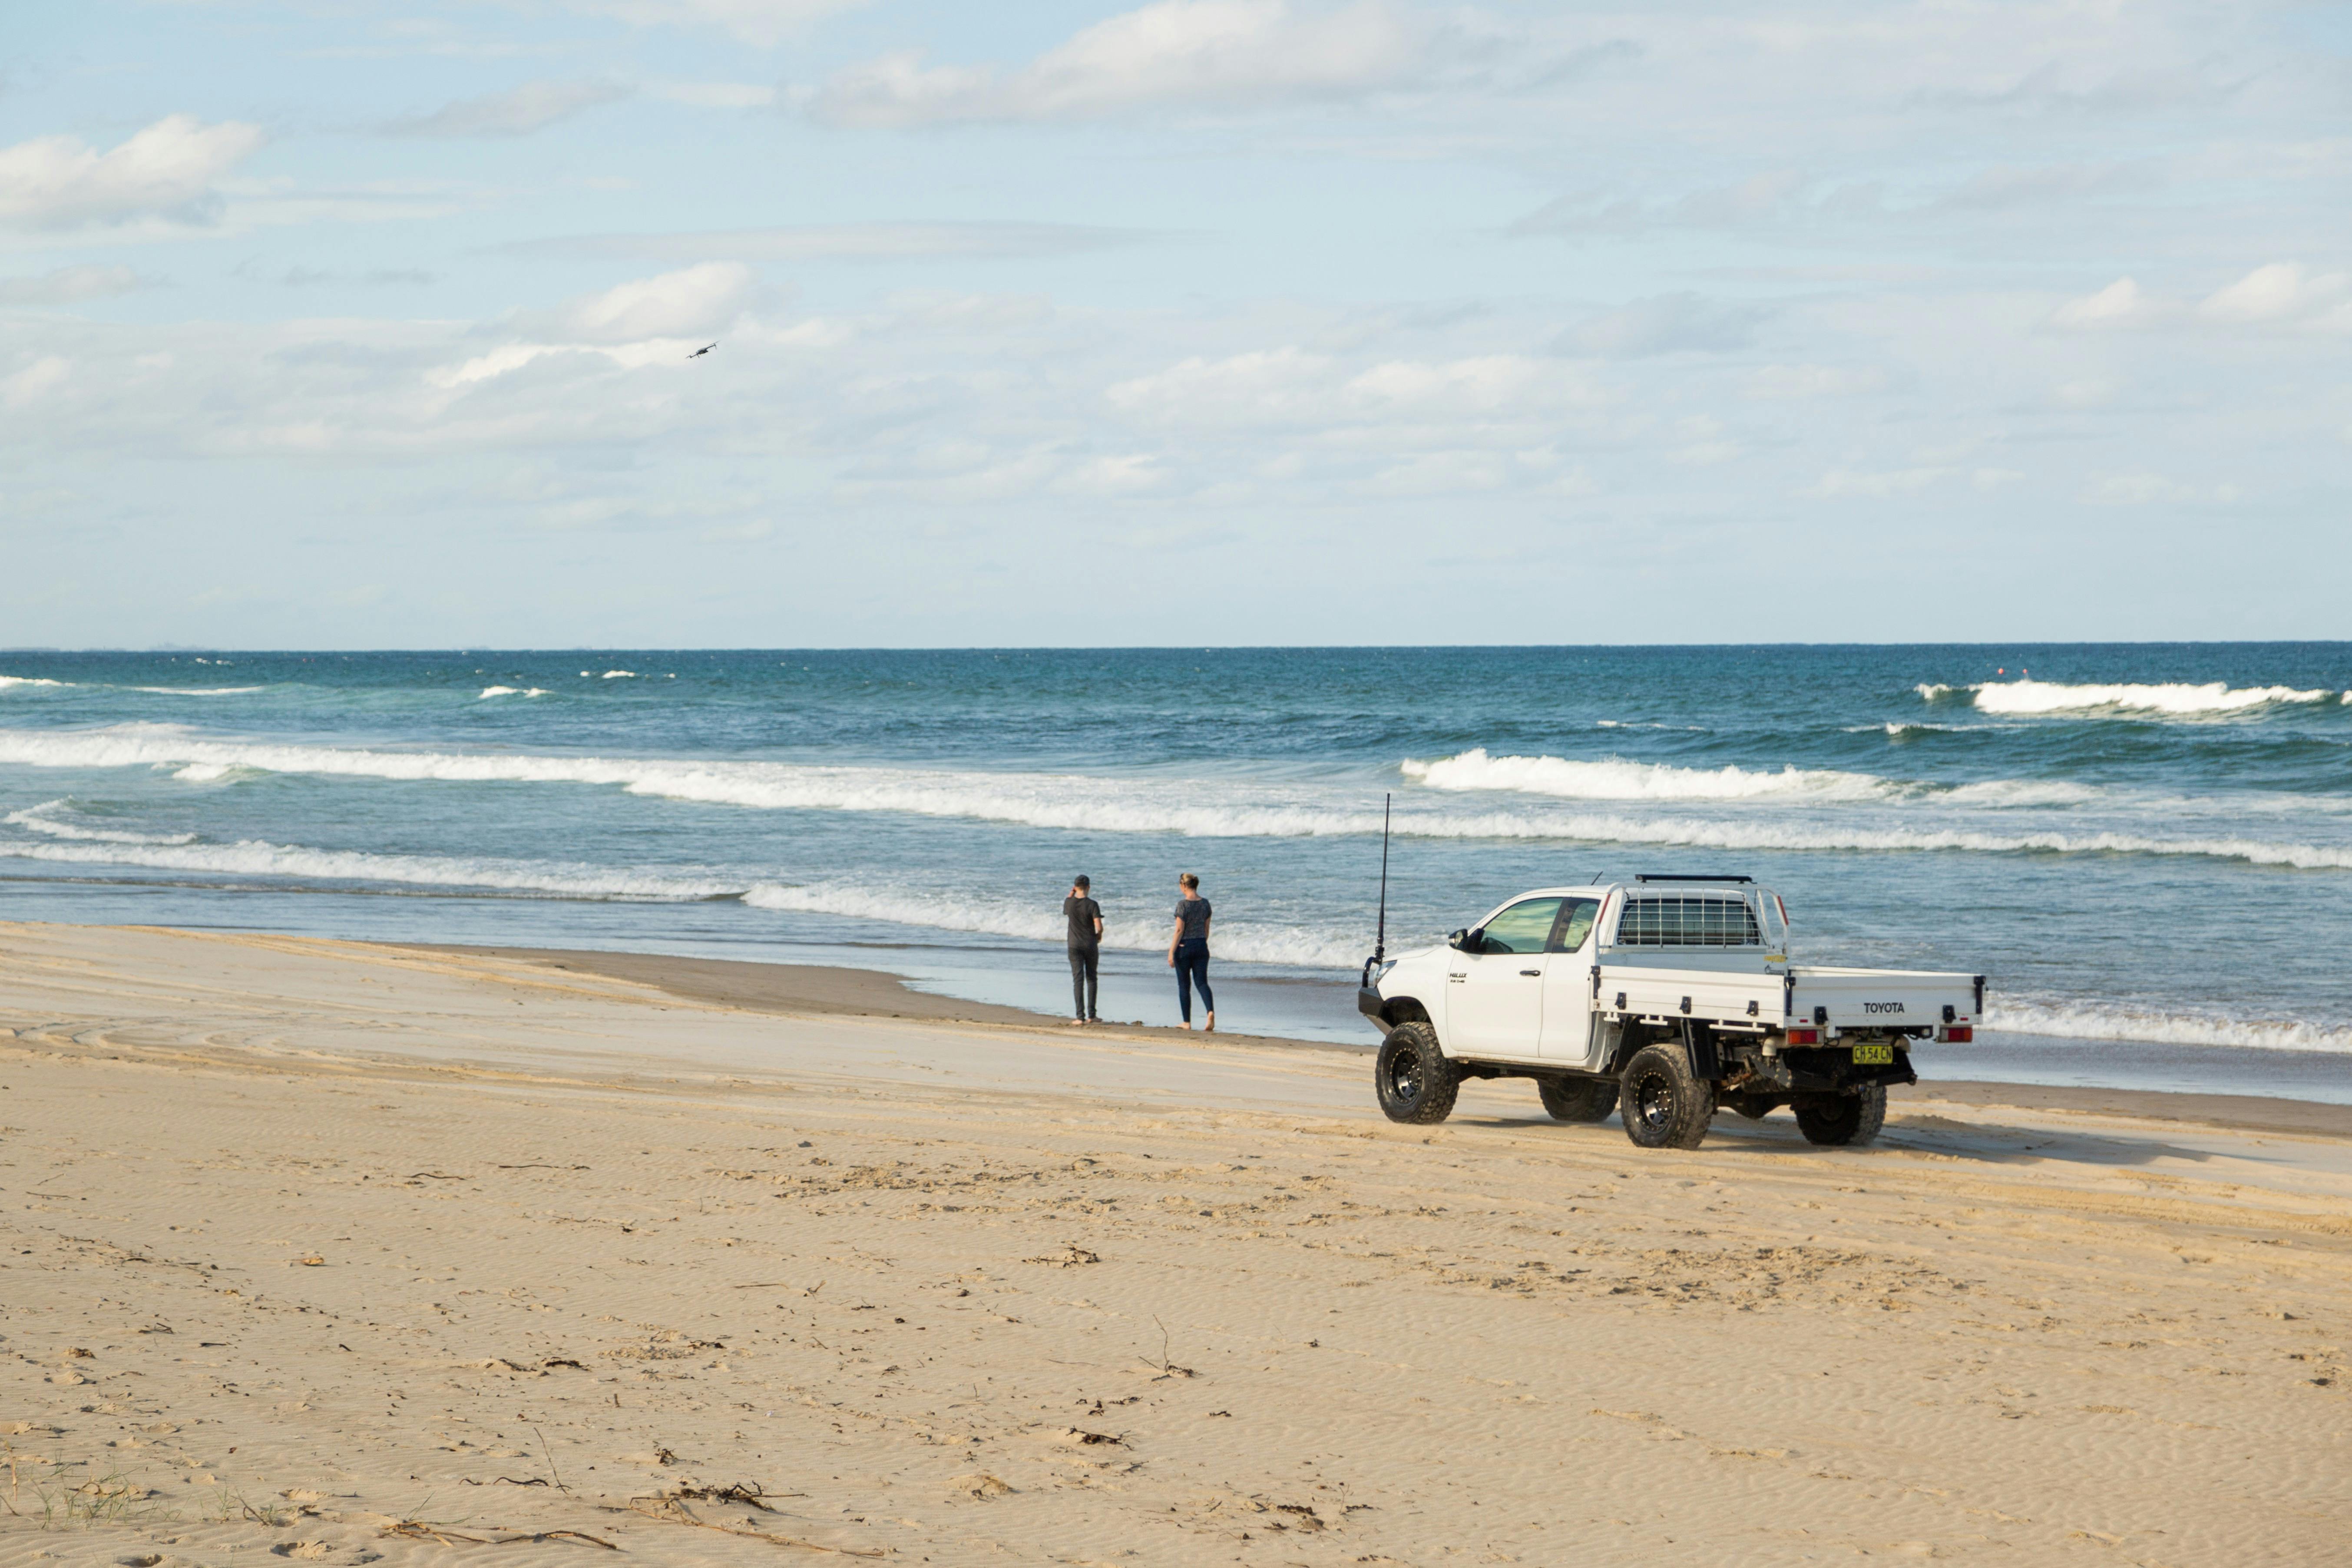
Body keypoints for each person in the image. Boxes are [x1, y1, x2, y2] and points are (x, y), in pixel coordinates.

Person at [1167, 872, 1214, 1032]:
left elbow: (1180, 930)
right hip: (1201, 945)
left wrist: (1171, 952)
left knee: (1184, 986)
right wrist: (1201, 943)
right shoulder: (1206, 904)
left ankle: (1186, 1022)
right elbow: (1207, 930)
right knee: (1202, 983)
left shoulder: (1183, 905)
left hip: (1184, 948)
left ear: (1184, 886)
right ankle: (1210, 1012)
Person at [1063, 875, 1103, 1025]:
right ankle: (1092, 1016)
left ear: (1075, 887)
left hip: (1074, 946)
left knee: (1078, 979)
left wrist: (1071, 893)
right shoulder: (1093, 904)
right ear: (1089, 887)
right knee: (1092, 978)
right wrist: (1099, 936)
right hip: (1090, 945)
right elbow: (1099, 926)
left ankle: (1080, 1017)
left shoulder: (1069, 903)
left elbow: (1068, 904)